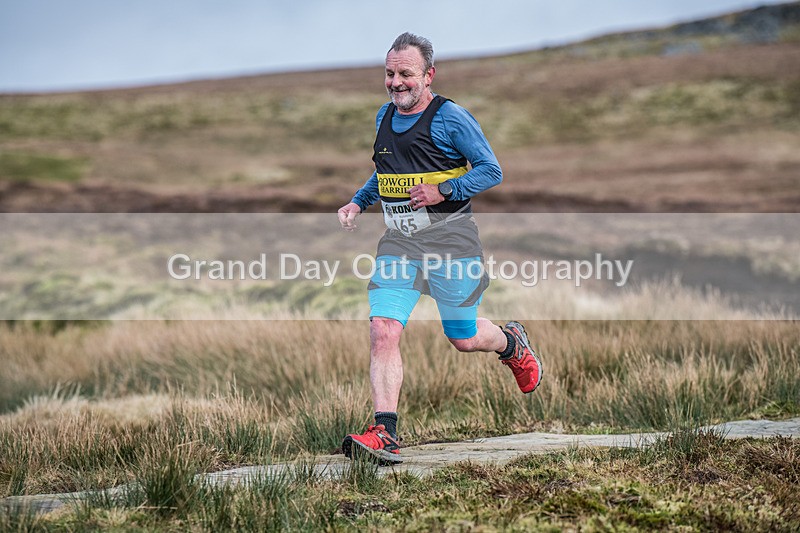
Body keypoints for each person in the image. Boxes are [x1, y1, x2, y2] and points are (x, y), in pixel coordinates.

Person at [337, 32, 542, 465]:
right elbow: (386, 173)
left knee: (463, 338)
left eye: (405, 74)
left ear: (428, 75)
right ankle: (385, 432)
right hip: (399, 244)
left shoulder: (451, 118)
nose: (396, 83)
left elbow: (491, 170)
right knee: (383, 329)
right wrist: (359, 201)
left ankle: (510, 342)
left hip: (452, 242)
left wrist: (443, 190)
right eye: (389, 74)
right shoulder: (383, 117)